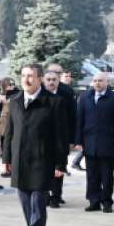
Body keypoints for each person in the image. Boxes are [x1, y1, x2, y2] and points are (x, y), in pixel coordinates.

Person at [2, 63, 68, 226]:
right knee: (26, 207)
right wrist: (6, 159)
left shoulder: (54, 102)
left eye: (31, 76)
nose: (26, 79)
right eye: (24, 75)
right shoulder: (14, 101)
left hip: (43, 161)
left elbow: (61, 136)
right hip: (20, 161)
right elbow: (9, 133)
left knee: (38, 206)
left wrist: (60, 164)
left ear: (40, 79)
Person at [74, 71, 114, 213]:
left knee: (107, 176)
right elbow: (79, 120)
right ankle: (93, 201)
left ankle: (107, 202)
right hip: (89, 143)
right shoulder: (85, 97)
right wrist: (78, 141)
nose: (97, 83)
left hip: (108, 144)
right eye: (95, 80)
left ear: (107, 82)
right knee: (92, 176)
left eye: (100, 80)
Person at [42, 68, 75, 207]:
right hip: (42, 139)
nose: (51, 82)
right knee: (43, 169)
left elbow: (73, 116)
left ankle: (56, 196)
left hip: (61, 137)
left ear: (58, 81)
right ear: (43, 81)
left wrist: (72, 139)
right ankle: (45, 196)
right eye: (48, 80)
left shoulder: (66, 94)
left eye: (54, 80)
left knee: (59, 167)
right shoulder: (38, 95)